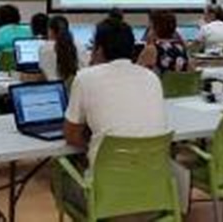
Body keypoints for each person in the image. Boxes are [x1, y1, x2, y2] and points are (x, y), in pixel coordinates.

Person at [64, 18, 166, 164]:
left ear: (99, 49)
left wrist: (93, 147)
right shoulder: (152, 77)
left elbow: (71, 136)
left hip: (108, 174)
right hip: (155, 172)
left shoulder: (85, 78)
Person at [138, 10, 191, 74]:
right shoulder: (181, 48)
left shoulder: (152, 50)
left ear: (154, 28)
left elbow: (139, 72)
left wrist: (149, 44)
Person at [39, 15, 84, 82]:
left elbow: (43, 74)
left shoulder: (45, 48)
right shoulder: (80, 45)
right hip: (78, 85)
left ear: (51, 31)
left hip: (55, 87)